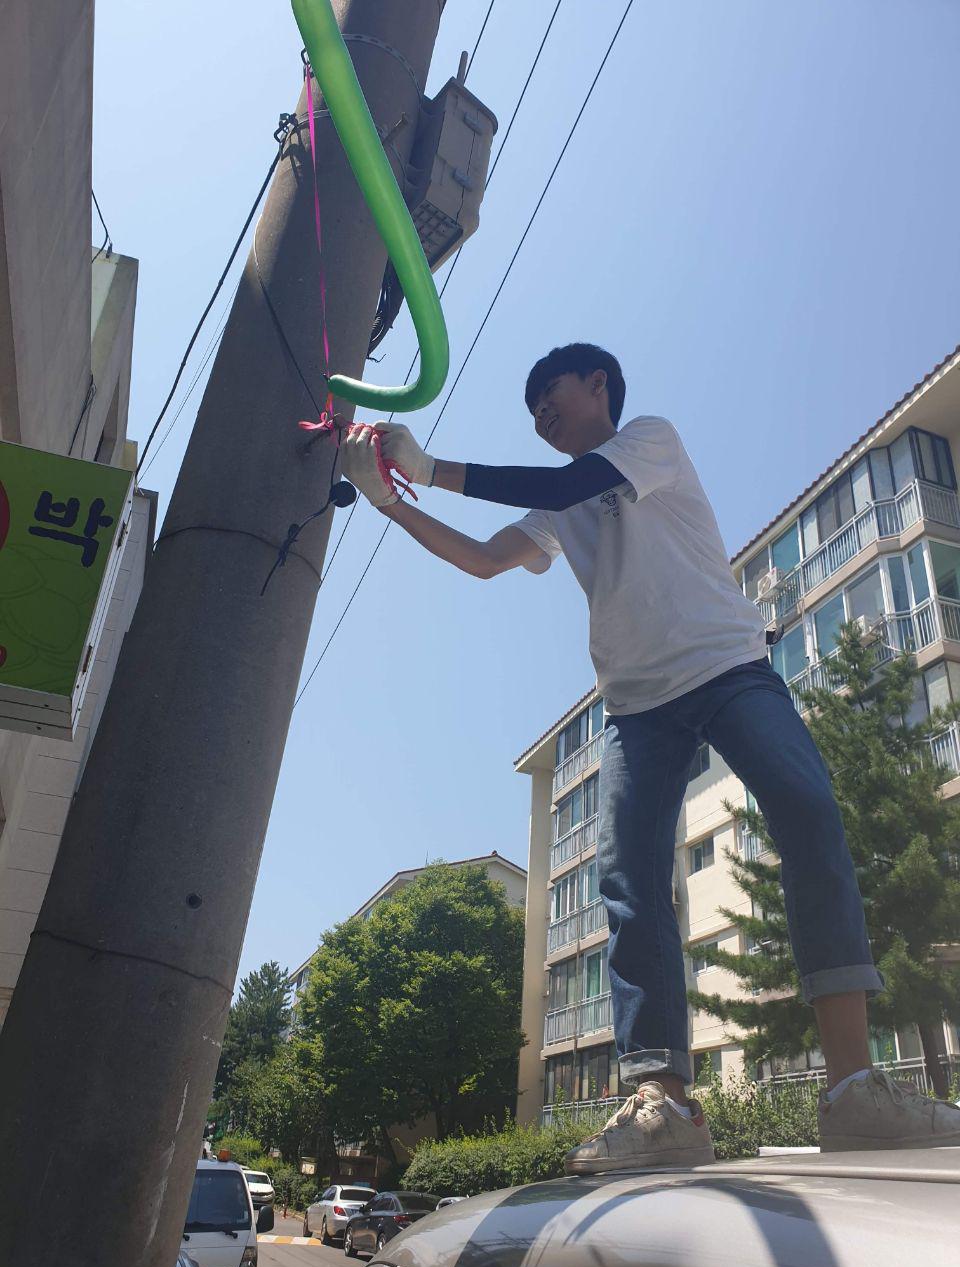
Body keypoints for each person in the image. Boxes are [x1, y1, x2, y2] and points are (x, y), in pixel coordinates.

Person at [340, 342, 960, 1171]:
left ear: (599, 386)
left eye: (548, 392)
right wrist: (388, 501)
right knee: (631, 881)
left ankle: (853, 1089)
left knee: (807, 810)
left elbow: (563, 483)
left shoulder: (649, 442)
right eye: (529, 408)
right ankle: (664, 1105)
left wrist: (435, 466)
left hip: (728, 668)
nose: (539, 411)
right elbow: (485, 560)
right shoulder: (558, 505)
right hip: (635, 707)